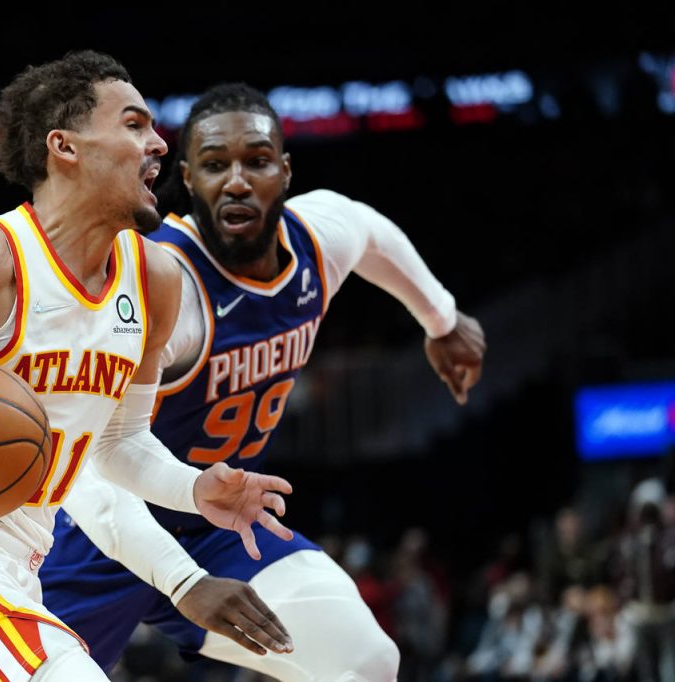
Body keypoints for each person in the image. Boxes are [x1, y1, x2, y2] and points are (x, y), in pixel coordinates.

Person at [0, 54, 297, 682]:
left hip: (24, 569)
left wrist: (193, 490)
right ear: (64, 147)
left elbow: (117, 444)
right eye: (134, 124)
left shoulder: (155, 280)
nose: (158, 143)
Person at [39, 82, 487, 681]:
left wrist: (442, 319)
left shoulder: (316, 242)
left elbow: (368, 230)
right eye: (215, 165)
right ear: (188, 180)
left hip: (223, 530)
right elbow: (91, 459)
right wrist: (183, 580)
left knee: (367, 661)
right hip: (100, 533)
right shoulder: (161, 284)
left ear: (286, 170)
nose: (237, 181)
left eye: (256, 161)